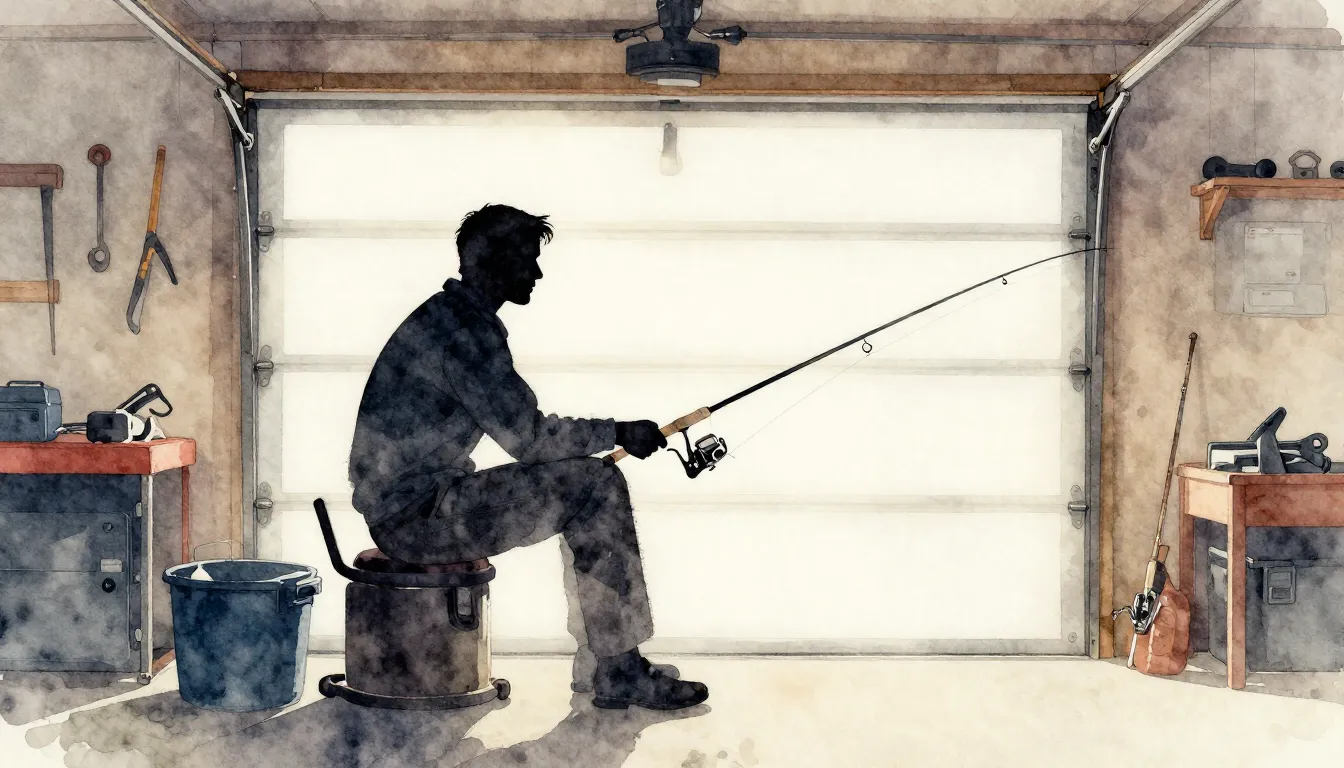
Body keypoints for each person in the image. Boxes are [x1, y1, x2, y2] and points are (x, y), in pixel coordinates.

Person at [347, 203, 709, 711]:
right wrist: (620, 432)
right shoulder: (465, 335)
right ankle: (618, 668)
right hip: (418, 520)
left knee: (585, 483)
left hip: (413, 508)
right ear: (491, 260)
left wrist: (593, 446)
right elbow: (531, 440)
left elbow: (529, 442)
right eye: (527, 258)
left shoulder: (448, 318)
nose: (537, 273)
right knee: (597, 486)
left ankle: (602, 659)